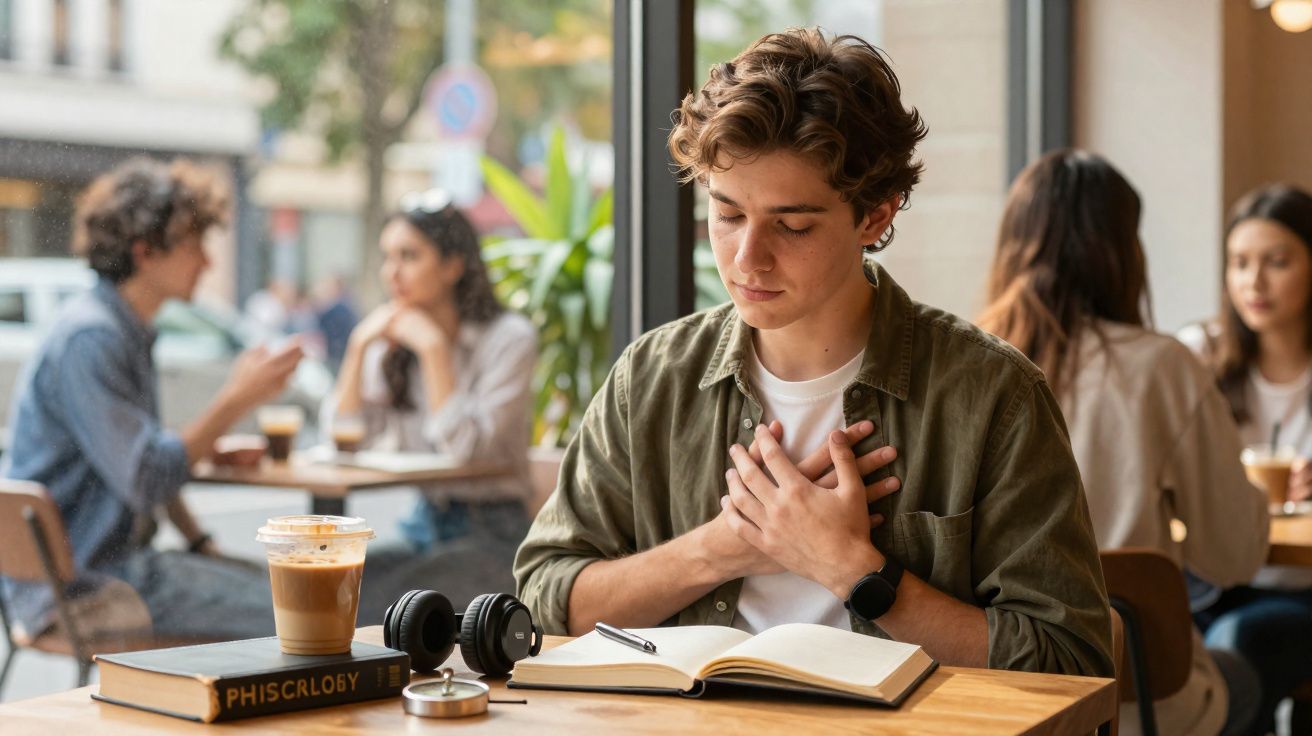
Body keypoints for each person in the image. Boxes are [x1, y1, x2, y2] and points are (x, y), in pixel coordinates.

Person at [514, 28, 1113, 676]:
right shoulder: (653, 379)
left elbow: (1070, 664)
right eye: (726, 214)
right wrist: (727, 547)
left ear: (875, 217)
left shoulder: (993, 397)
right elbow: (543, 600)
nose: (746, 258)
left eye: (792, 225)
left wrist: (855, 569)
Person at [977, 149, 1267, 735]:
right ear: (1120, 250)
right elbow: (1233, 555)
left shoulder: (965, 362)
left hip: (1000, 696)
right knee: (1249, 674)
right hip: (1139, 702)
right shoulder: (1163, 367)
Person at [0, 157, 304, 644]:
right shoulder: (92, 338)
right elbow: (146, 476)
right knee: (302, 607)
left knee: (296, 590)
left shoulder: (123, 328)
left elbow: (146, 457)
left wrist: (199, 540)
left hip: (101, 567)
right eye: (193, 244)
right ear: (144, 251)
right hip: (85, 588)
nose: (206, 261)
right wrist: (234, 400)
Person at [322, 188, 537, 619]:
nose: (391, 273)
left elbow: (468, 451)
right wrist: (359, 347)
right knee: (329, 588)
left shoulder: (509, 338)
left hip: (493, 533)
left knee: (375, 605)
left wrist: (435, 351)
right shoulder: (391, 343)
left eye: (409, 256)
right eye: (387, 257)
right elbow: (342, 439)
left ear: (453, 266)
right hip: (422, 523)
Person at [1177, 183, 1312, 734]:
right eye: (1239, 263)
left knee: (1236, 647)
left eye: (1276, 262)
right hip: (1211, 582)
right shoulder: (1201, 354)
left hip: (1299, 589)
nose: (1253, 282)